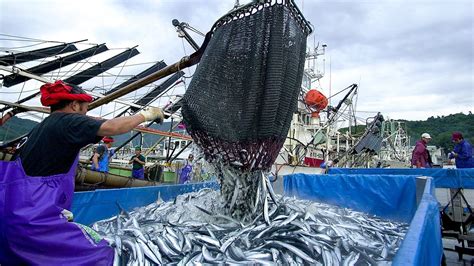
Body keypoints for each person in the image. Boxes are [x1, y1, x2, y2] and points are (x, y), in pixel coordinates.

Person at [0, 80, 164, 264]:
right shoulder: (68, 121)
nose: (86, 112)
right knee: (101, 256)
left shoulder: (43, 127)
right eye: (85, 107)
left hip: (9, 220)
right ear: (74, 105)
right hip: (33, 222)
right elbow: (114, 127)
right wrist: (145, 114)